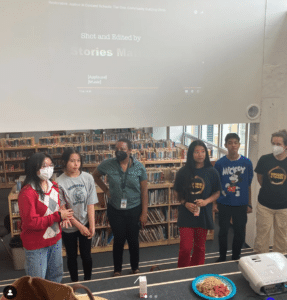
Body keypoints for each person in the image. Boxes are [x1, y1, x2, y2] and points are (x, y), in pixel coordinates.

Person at [93, 138, 148, 277]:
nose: (119, 152)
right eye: (117, 149)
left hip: (134, 208)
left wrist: (144, 212)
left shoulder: (139, 167)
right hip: (115, 209)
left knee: (133, 239)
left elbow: (144, 191)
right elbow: (95, 175)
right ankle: (117, 270)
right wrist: (105, 190)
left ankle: (135, 268)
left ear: (129, 150)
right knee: (118, 239)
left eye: (122, 149)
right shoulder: (108, 164)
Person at [18, 152, 73, 283]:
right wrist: (58, 216)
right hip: (36, 244)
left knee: (55, 278)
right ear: (34, 168)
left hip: (55, 239)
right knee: (38, 283)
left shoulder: (54, 186)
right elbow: (31, 222)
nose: (48, 168)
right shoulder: (27, 192)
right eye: (44, 165)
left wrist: (63, 216)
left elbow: (57, 209)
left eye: (51, 165)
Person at [173, 140, 221, 268]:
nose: (200, 154)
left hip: (203, 214)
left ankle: (196, 272)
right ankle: (182, 272)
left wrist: (206, 201)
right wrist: (185, 203)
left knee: (200, 247)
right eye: (196, 152)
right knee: (186, 248)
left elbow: (217, 192)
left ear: (206, 153)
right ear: (191, 154)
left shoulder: (212, 172)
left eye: (203, 151)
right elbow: (176, 192)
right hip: (186, 214)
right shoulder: (183, 172)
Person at [56, 148, 98, 282]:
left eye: (78, 161)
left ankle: (88, 281)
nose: (76, 164)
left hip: (85, 222)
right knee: (71, 256)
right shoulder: (58, 182)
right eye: (72, 161)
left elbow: (91, 203)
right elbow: (64, 210)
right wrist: (80, 227)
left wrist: (92, 225)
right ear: (65, 162)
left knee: (87, 255)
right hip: (70, 226)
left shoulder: (88, 178)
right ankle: (75, 283)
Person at [214, 133, 253, 262]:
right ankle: (222, 257)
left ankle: (236, 257)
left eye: (235, 142)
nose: (233, 145)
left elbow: (248, 185)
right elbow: (216, 185)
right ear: (225, 145)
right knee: (223, 232)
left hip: (241, 203)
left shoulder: (247, 163)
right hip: (224, 202)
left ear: (239, 145)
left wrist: (249, 203)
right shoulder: (219, 164)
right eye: (230, 143)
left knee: (239, 233)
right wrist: (214, 203)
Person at [254, 130, 287, 254]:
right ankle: (259, 266)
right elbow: (260, 178)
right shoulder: (264, 159)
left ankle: (280, 265)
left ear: (285, 146)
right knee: (261, 238)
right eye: (273, 143)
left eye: (279, 144)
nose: (275, 147)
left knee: (282, 239)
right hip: (265, 206)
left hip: (284, 207)